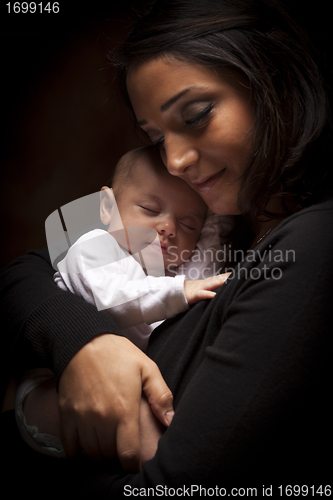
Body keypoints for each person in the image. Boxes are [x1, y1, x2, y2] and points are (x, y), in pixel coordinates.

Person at [1, 0, 332, 495]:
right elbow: (29, 270)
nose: (174, 160)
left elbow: (176, 486)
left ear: (273, 83)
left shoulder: (309, 245)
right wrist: (88, 344)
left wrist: (34, 419)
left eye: (196, 116)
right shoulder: (228, 217)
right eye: (155, 138)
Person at [14, 145, 229, 459]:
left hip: (129, 384)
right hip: (54, 390)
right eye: (150, 209)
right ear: (107, 207)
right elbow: (120, 298)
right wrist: (182, 291)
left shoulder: (175, 268)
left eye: (188, 225)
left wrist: (214, 221)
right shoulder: (93, 249)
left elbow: (208, 263)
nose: (167, 228)